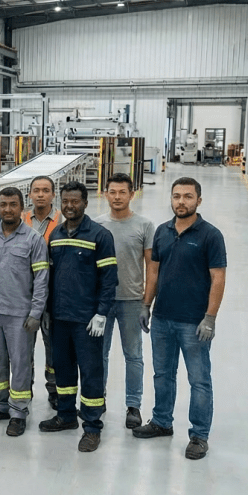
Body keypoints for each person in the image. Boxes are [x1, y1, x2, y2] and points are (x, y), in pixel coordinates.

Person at [133, 177, 225, 460]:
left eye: (187, 196)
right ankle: (161, 421)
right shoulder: (162, 231)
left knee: (199, 380)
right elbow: (154, 272)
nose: (181, 201)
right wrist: (146, 305)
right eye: (176, 196)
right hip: (162, 318)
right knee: (162, 375)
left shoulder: (210, 235)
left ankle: (199, 435)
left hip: (193, 322)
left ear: (199, 200)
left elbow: (218, 277)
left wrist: (210, 317)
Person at [38, 181, 117, 453]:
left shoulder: (100, 236)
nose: (70, 206)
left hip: (87, 320)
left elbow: (109, 279)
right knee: (63, 369)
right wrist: (47, 311)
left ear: (85, 203)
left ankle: (92, 427)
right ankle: (66, 415)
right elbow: (48, 278)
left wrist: (101, 314)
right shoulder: (56, 235)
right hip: (60, 317)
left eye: (75, 201)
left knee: (91, 372)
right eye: (66, 201)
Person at [0, 188, 49, 437]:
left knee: (21, 364)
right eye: (3, 204)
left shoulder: (33, 239)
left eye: (13, 205)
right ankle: (0, 404)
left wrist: (36, 312)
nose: (7, 209)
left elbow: (41, 279)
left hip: (20, 316)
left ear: (21, 208)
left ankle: (18, 412)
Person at [96, 173, 155, 430]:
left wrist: (146, 303)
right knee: (99, 354)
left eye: (123, 192)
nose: (117, 197)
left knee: (133, 355)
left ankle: (133, 405)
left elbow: (152, 267)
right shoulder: (97, 225)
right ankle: (97, 398)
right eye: (113, 191)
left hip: (131, 300)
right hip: (102, 302)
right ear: (105, 193)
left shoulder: (144, 226)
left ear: (132, 194)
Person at [24, 175, 62, 409]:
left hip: (53, 294)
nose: (40, 194)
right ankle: (23, 387)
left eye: (45, 190)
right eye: (36, 190)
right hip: (24, 293)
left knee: (52, 347)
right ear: (29, 194)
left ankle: (54, 389)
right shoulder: (20, 219)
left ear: (53, 194)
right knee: (23, 347)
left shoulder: (62, 221)